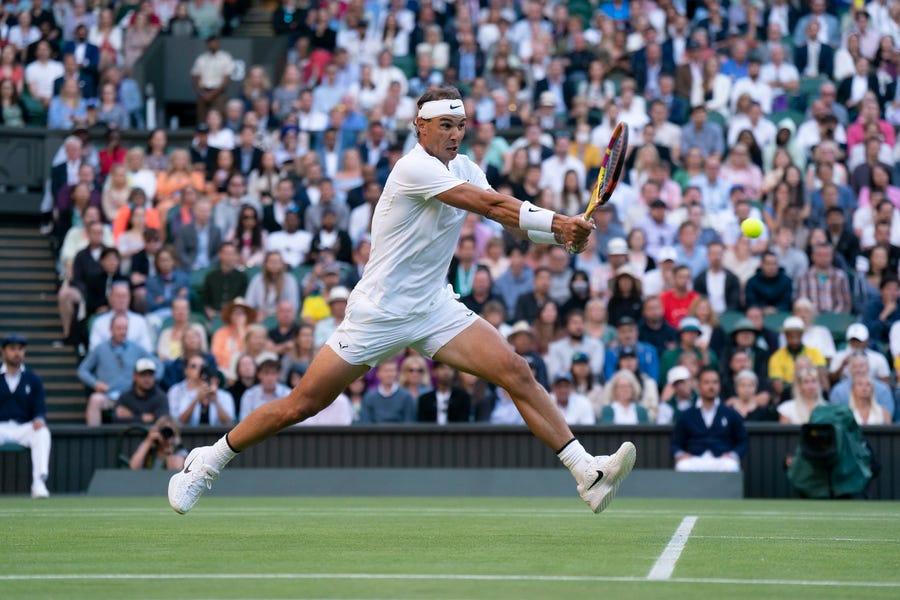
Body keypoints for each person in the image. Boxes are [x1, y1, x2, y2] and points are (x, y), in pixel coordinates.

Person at [169, 87, 635, 515]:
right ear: (421, 127)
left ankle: (586, 473)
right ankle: (207, 460)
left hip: (433, 307)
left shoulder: (468, 167)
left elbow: (508, 221)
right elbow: (491, 207)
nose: (455, 135)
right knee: (301, 404)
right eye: (445, 126)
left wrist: (560, 238)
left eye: (461, 126)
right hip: (379, 313)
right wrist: (558, 222)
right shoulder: (412, 168)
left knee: (516, 370)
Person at [0, 334, 51, 498]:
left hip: (23, 428)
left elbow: (40, 408)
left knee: (42, 432)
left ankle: (39, 483)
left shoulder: (33, 379)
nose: (17, 353)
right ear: (3, 351)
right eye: (12, 349)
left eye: (20, 349)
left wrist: (39, 419)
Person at [671, 367, 749, 473]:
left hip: (721, 459)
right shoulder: (686, 414)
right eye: (706, 382)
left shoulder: (730, 413)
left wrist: (733, 454)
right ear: (698, 386)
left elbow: (743, 441)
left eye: (715, 382)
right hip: (694, 459)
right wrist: (680, 454)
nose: (711, 386)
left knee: (731, 465)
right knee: (683, 466)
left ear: (719, 386)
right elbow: (676, 443)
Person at [169, 361, 236, 426]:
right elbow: (181, 421)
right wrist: (196, 399)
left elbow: (228, 423)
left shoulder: (225, 396)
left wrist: (216, 402)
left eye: (210, 379)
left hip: (219, 435)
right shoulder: (189, 395)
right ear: (199, 380)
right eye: (203, 379)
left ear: (217, 381)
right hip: (192, 436)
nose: (206, 382)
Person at [113, 359, 169, 425]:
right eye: (143, 374)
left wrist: (131, 417)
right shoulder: (124, 397)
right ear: (134, 376)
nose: (147, 379)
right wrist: (141, 418)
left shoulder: (161, 397)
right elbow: (115, 420)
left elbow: (161, 421)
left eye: (150, 375)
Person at [239, 354, 292, 422]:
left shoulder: (288, 394)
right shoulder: (249, 395)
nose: (270, 378)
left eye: (273, 373)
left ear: (278, 375)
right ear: (259, 375)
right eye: (266, 373)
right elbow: (244, 422)